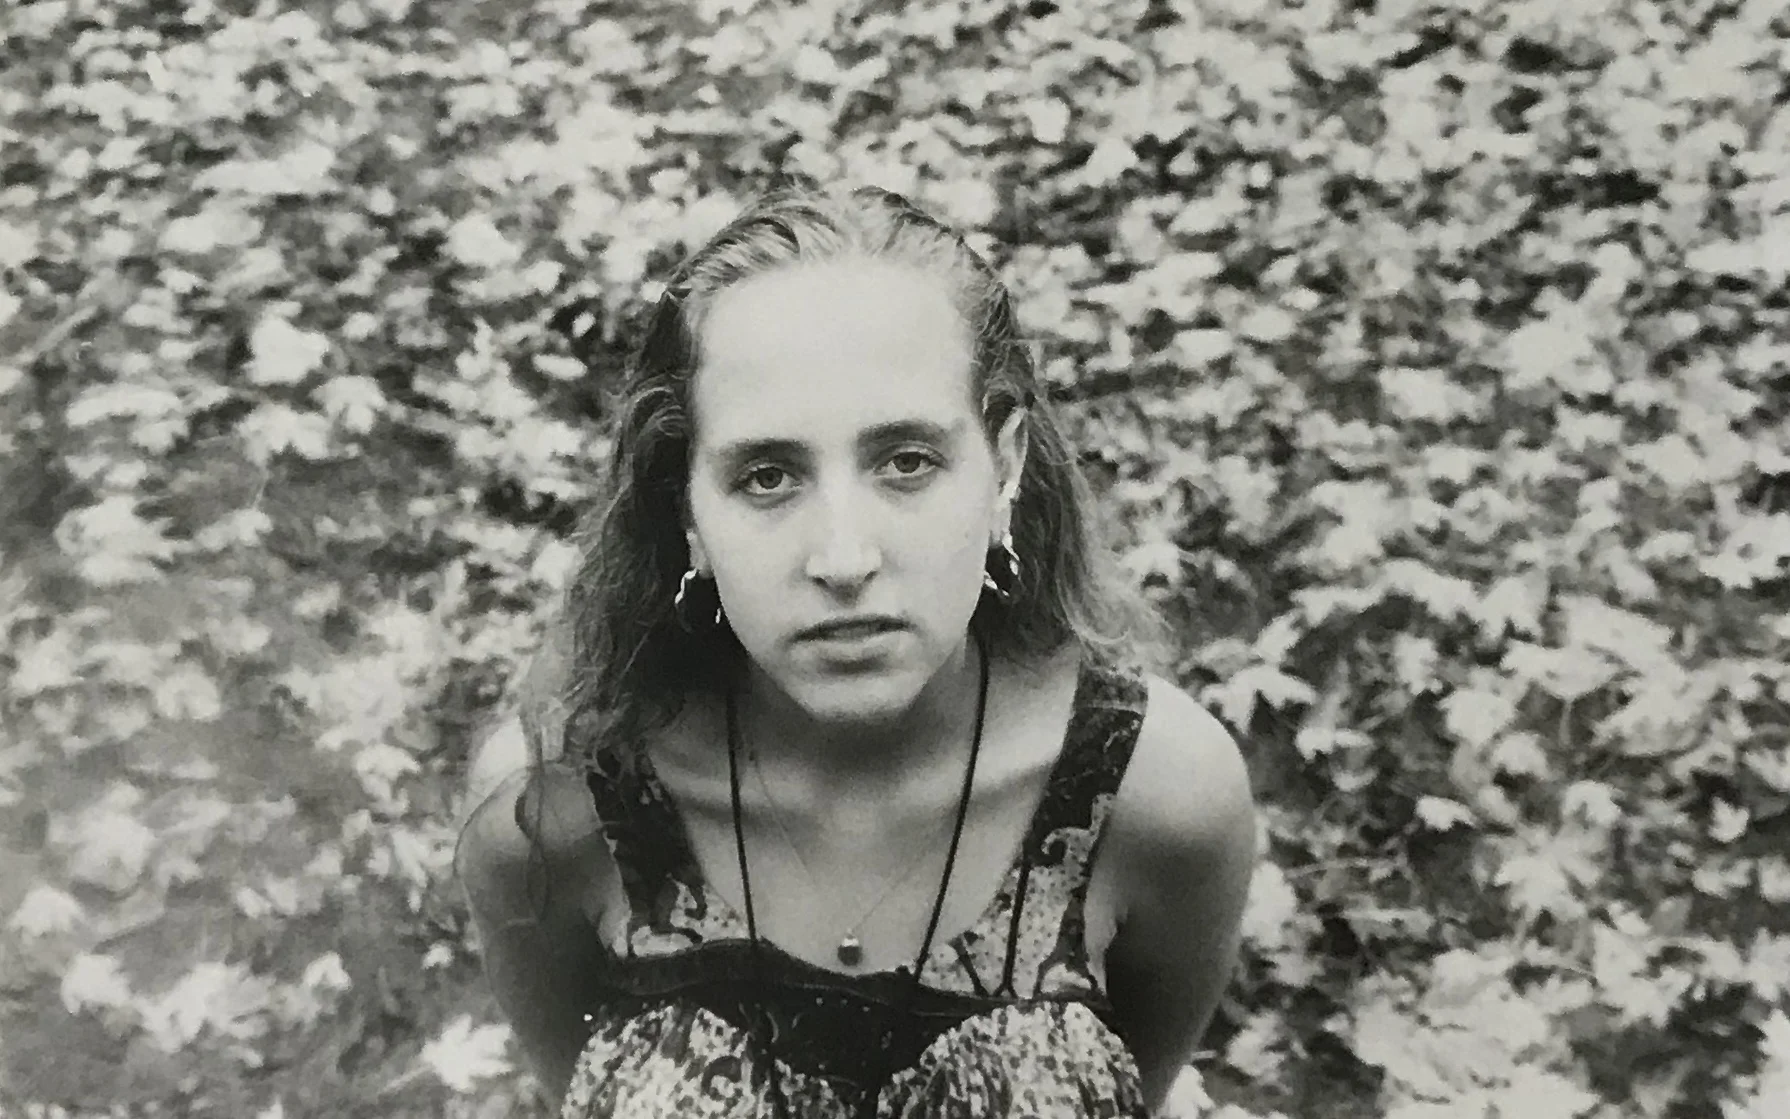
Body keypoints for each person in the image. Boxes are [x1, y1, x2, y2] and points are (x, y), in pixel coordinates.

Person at [452, 182, 1258, 1118]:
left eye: (906, 461)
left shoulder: (1158, 799)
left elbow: (1143, 1089)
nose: (843, 558)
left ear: (1005, 463)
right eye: (766, 475)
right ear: (686, 512)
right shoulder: (554, 804)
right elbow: (563, 1081)